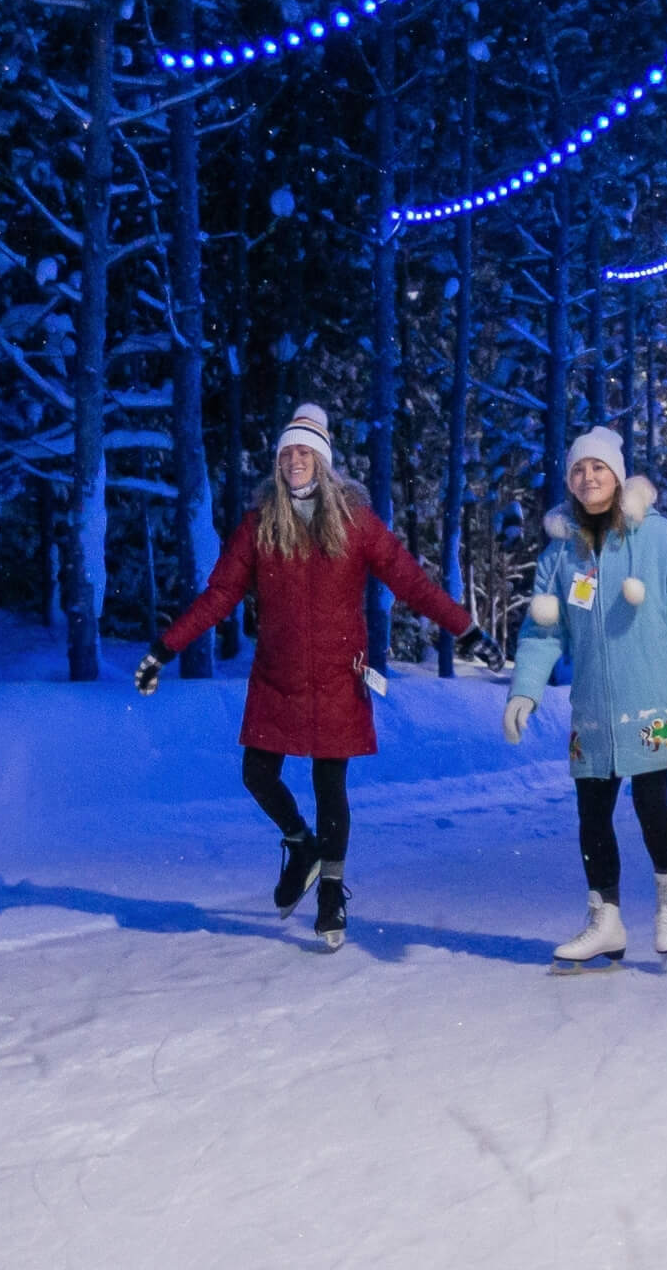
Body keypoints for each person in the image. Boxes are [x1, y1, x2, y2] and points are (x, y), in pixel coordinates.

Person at [134, 404, 504, 950]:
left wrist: (466, 630)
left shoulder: (355, 522)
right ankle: (301, 844)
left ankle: (331, 893)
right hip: (277, 677)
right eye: (287, 453)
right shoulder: (260, 525)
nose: (295, 460)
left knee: (330, 785)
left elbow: (411, 583)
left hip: (337, 676)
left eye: (304, 452)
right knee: (257, 774)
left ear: (323, 461)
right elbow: (219, 596)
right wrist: (164, 649)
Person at [504, 426, 667, 969]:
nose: (588, 477)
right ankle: (606, 919)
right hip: (594, 707)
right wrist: (524, 693)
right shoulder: (562, 554)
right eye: (578, 469)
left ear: (617, 475)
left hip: (653, 697)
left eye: (598, 468)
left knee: (648, 801)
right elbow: (542, 632)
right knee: (591, 811)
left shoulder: (659, 538)